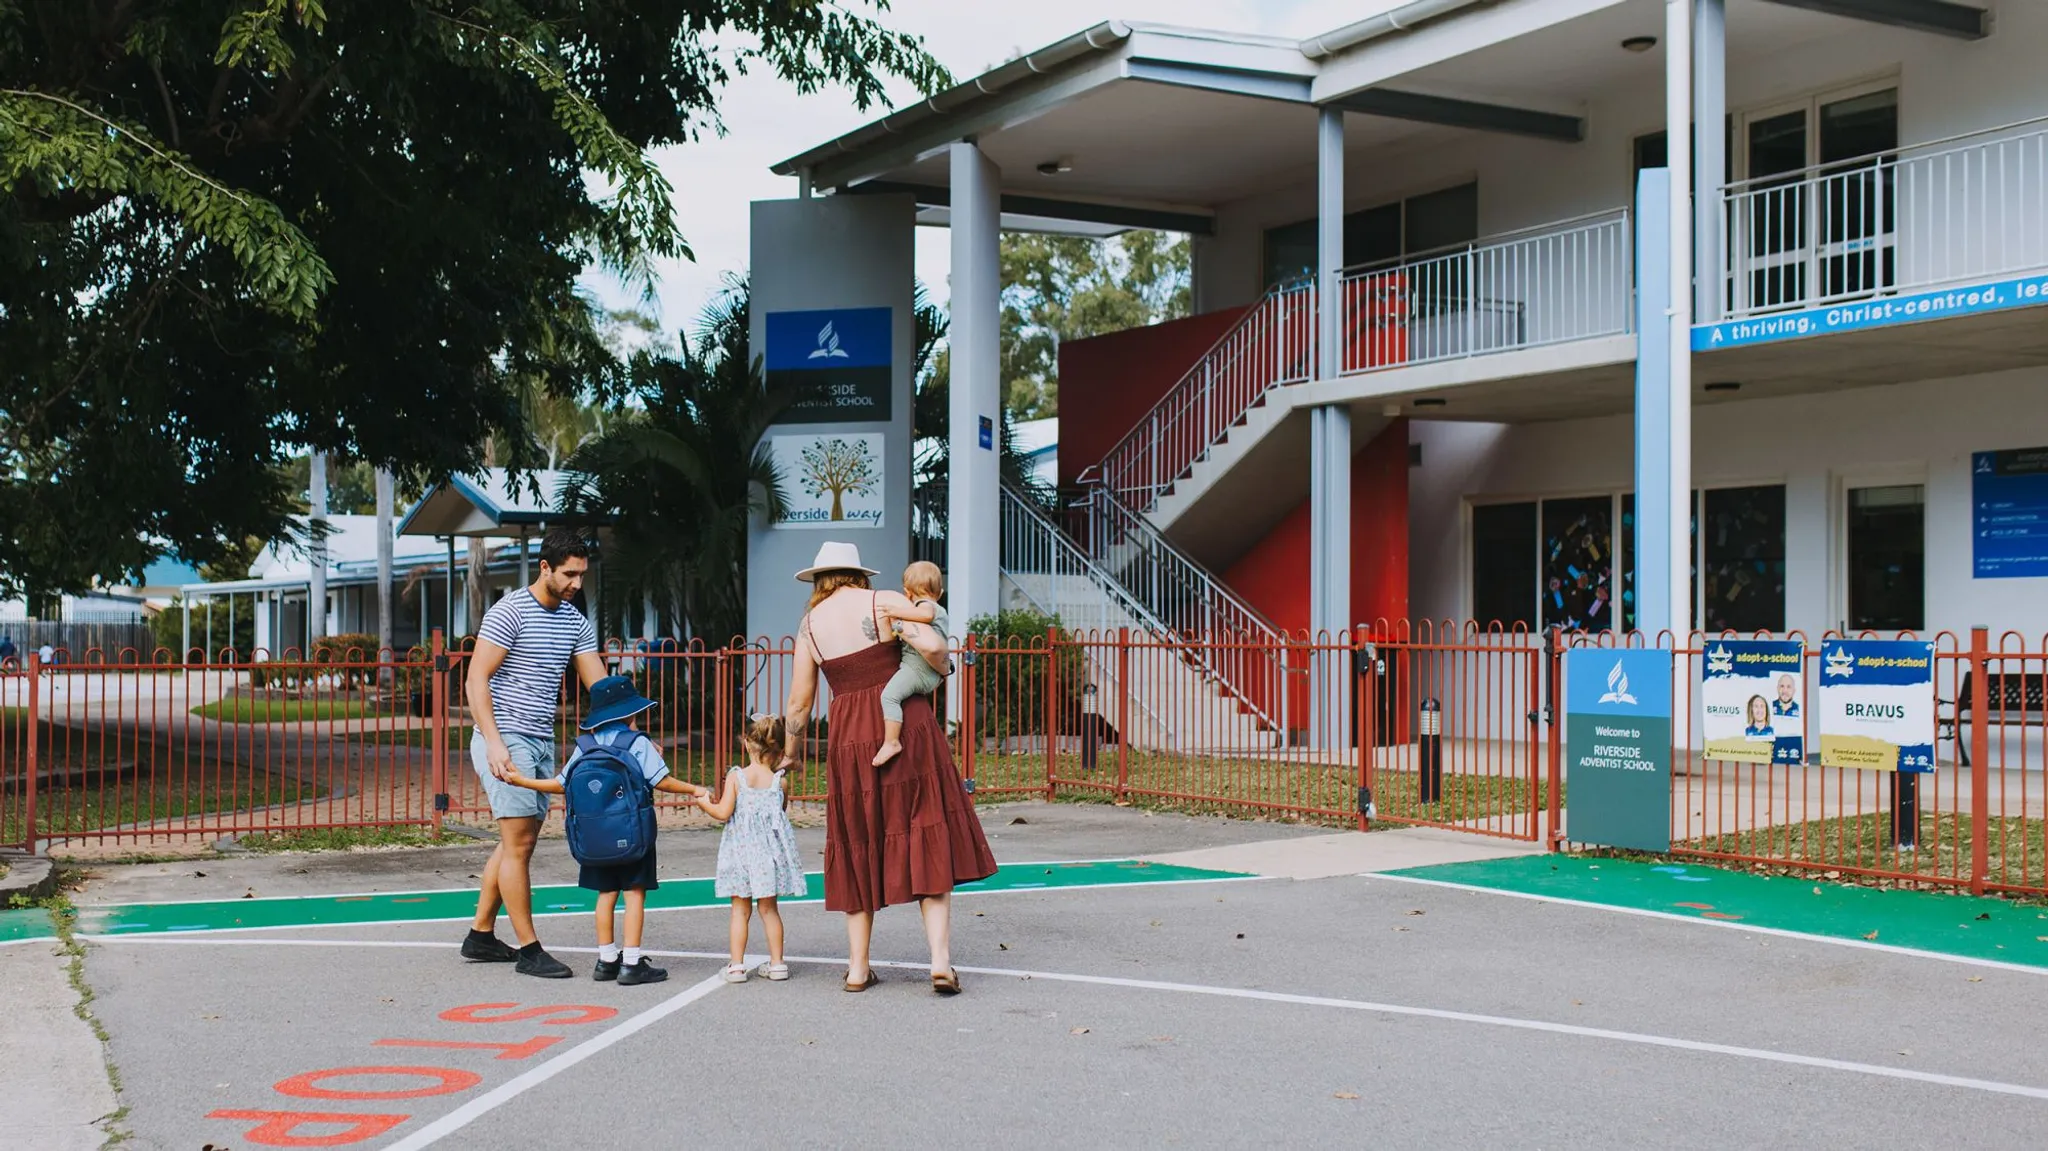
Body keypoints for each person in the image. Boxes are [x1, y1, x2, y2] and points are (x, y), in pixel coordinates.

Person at [780, 541, 996, 996]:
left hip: (849, 736)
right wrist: (943, 667)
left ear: (819, 581)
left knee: (857, 838)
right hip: (906, 724)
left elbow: (800, 702)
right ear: (859, 574)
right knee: (925, 826)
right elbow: (934, 641)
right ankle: (940, 962)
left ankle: (858, 969)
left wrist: (791, 750)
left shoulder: (809, 625)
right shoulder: (882, 601)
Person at [460, 528, 606, 979]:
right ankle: (529, 949)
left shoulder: (573, 621)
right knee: (519, 844)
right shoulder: (510, 613)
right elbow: (475, 680)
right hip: (505, 737)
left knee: (516, 842)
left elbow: (600, 686)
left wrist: (631, 733)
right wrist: (495, 742)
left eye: (581, 575)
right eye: (569, 574)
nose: (576, 584)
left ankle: (481, 935)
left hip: (541, 739)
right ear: (545, 567)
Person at [503, 675, 707, 986]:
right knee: (635, 893)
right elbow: (660, 780)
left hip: (594, 838)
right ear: (630, 714)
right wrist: (695, 790)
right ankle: (632, 963)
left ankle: (606, 959)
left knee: (606, 894)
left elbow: (560, 784)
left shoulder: (585, 745)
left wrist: (521, 781)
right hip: (633, 832)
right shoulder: (636, 743)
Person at [695, 713, 809, 984]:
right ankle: (778, 964)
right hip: (768, 855)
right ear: (780, 750)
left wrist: (703, 803)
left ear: (746, 744)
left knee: (740, 909)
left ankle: (736, 966)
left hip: (741, 854)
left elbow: (723, 812)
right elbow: (779, 814)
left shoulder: (736, 777)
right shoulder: (780, 782)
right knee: (769, 909)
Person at [872, 561, 948, 767]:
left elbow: (925, 615)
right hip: (926, 671)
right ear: (939, 591)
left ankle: (891, 742)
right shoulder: (937, 607)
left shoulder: (926, 606)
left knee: (889, 697)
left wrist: (895, 613)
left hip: (918, 669)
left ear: (907, 592)